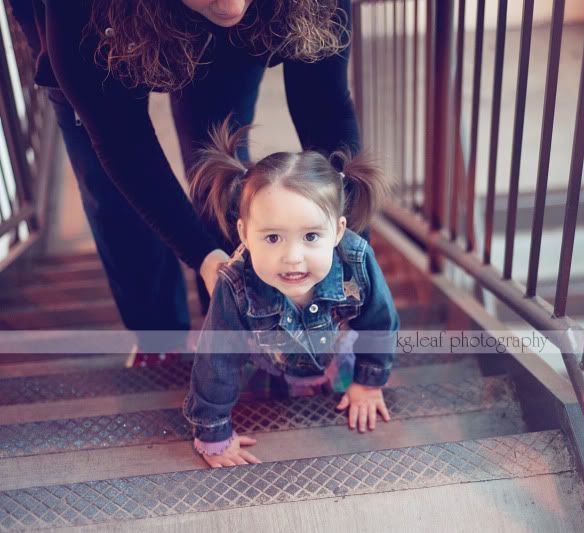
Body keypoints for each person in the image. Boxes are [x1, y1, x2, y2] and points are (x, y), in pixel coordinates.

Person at [8, 0, 359, 357]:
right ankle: (159, 337)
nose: (230, 5)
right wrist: (203, 256)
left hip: (223, 42)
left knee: (219, 162)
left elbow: (325, 109)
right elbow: (122, 144)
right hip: (93, 24)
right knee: (112, 190)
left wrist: (351, 255)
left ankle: (229, 319)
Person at [182, 121, 399, 468]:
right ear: (245, 234)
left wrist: (369, 383)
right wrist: (213, 432)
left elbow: (380, 324)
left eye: (311, 236)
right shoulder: (234, 283)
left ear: (338, 231)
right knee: (261, 400)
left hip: (336, 359)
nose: (293, 257)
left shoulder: (356, 260)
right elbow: (217, 359)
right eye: (272, 238)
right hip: (267, 366)